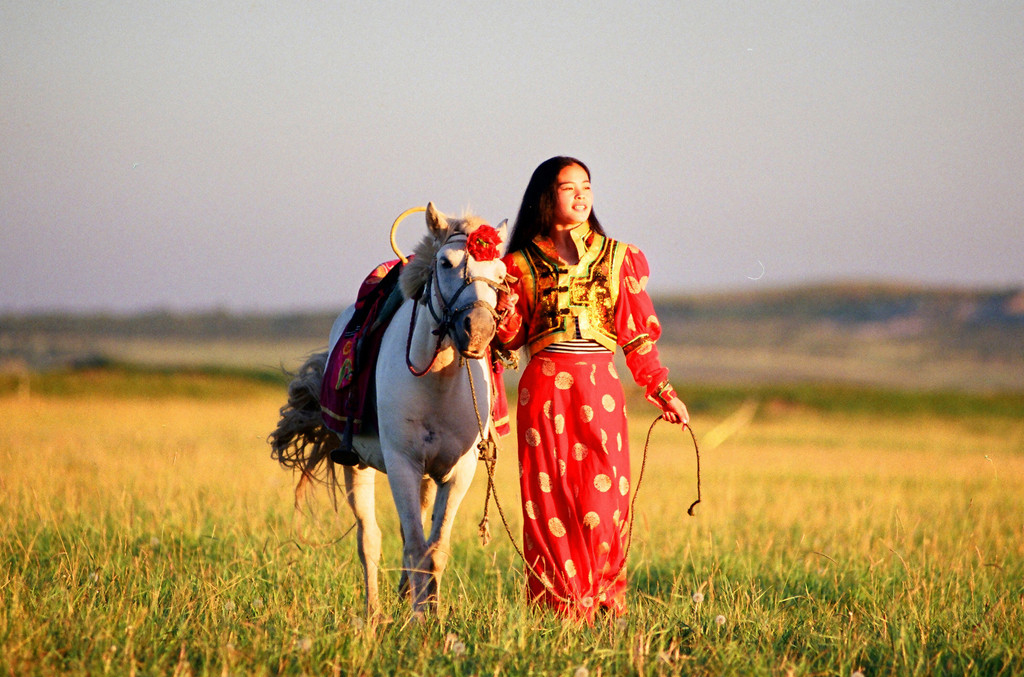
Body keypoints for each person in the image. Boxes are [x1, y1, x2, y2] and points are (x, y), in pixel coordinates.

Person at [493, 156, 690, 622]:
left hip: (600, 389)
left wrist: (663, 391)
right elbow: (507, 342)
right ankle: (559, 615)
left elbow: (637, 338)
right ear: (547, 196)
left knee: (604, 501)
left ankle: (603, 605)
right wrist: (498, 308)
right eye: (568, 187)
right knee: (548, 502)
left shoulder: (620, 258)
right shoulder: (518, 265)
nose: (581, 194)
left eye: (587, 185)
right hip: (542, 394)